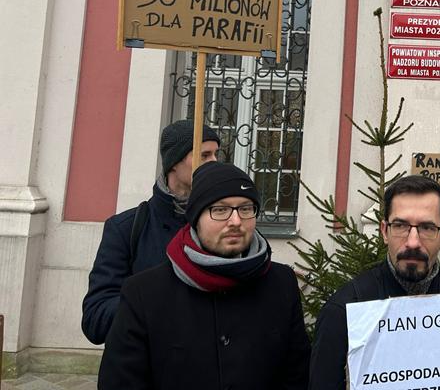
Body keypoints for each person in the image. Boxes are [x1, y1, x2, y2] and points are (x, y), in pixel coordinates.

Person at [97, 161, 310, 389]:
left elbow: (298, 376)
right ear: (195, 218)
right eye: (220, 210)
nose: (236, 221)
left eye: (246, 208)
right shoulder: (144, 293)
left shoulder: (281, 284)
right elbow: (120, 382)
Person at [308, 175, 440, 390]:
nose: (413, 242)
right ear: (384, 231)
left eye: (427, 227)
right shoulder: (344, 311)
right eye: (400, 225)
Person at [81, 119, 221, 344]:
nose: (214, 162)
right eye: (204, 155)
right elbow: (95, 320)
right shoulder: (125, 228)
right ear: (174, 163)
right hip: (150, 361)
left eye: (216, 154)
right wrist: (152, 302)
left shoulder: (228, 225)